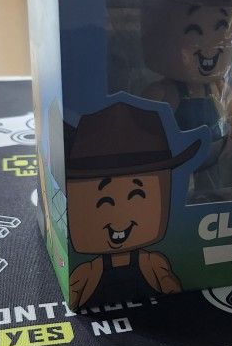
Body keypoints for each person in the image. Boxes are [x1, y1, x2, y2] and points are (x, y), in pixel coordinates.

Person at [65, 102, 199, 308]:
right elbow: (75, 294)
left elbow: (171, 287)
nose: (120, 216)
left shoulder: (152, 263)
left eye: (136, 196)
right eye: (104, 202)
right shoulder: (89, 272)